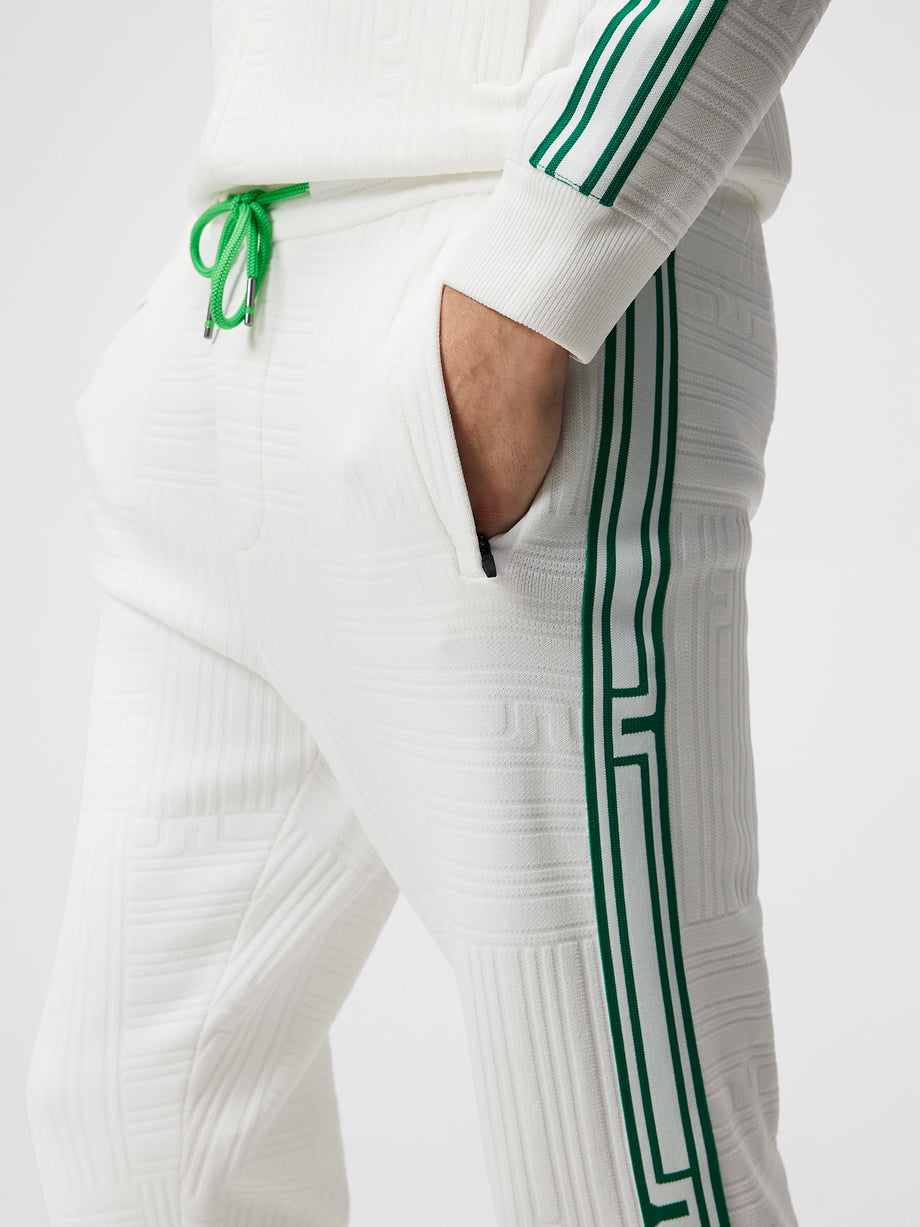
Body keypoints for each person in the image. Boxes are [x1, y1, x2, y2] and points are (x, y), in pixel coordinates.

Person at [25, 1, 830, 1223]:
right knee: (135, 1132)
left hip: (517, 269)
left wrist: (542, 267)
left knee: (613, 1165)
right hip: (241, 263)